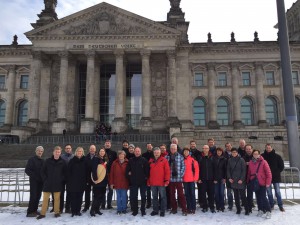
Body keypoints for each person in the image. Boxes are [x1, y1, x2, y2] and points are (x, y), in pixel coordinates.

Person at [37, 146, 67, 219]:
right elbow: (42, 171)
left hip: (57, 184)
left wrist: (60, 179)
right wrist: (45, 179)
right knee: (45, 199)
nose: (57, 153)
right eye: (56, 152)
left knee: (57, 199)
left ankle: (56, 212)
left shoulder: (63, 162)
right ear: (53, 152)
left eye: (58, 152)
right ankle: (42, 213)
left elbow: (65, 173)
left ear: (60, 153)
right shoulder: (47, 161)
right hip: (48, 183)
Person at [247, 149, 272, 219]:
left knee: (263, 197)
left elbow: (268, 173)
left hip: (262, 182)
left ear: (259, 154)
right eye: (254, 154)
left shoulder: (264, 162)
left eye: (256, 154)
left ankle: (268, 210)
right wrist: (248, 181)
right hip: (254, 182)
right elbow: (249, 173)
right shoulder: (251, 162)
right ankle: (260, 209)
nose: (255, 155)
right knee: (258, 197)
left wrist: (268, 182)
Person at [261, 143, 285, 212]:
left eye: (269, 148)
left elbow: (281, 166)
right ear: (265, 148)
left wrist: (277, 172)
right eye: (267, 148)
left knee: (277, 192)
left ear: (271, 148)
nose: (268, 149)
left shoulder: (277, 156)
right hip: (267, 177)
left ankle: (280, 205)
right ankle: (271, 205)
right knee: (269, 192)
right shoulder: (262, 156)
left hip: (276, 177)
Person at [126, 146, 149, 216]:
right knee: (134, 196)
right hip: (134, 182)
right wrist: (130, 177)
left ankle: (143, 210)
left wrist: (145, 177)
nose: (137, 152)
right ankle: (135, 210)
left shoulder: (144, 160)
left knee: (143, 196)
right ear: (134, 152)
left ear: (140, 152)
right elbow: (127, 171)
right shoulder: (131, 160)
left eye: (138, 151)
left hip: (142, 182)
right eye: (136, 151)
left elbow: (147, 171)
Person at [148, 147, 170, 217]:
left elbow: (167, 171)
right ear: (153, 153)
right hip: (153, 183)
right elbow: (148, 172)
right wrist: (148, 181)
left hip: (161, 183)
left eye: (158, 152)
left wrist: (166, 180)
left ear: (160, 153)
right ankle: (155, 210)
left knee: (163, 197)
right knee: (154, 197)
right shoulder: (150, 161)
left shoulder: (164, 160)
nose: (156, 154)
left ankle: (162, 210)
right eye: (155, 152)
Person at [166, 143, 187, 216]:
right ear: (170, 149)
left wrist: (180, 175)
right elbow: (165, 168)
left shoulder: (180, 157)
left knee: (181, 195)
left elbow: (183, 167)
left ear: (176, 149)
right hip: (171, 179)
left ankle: (184, 209)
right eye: (172, 148)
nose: (173, 150)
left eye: (174, 149)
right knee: (172, 195)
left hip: (178, 179)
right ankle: (174, 208)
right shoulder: (167, 157)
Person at [227, 147, 249, 215]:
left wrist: (241, 179)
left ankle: (246, 209)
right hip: (233, 181)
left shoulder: (241, 160)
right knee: (236, 196)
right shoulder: (230, 160)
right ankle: (238, 209)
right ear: (231, 153)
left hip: (240, 181)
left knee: (243, 196)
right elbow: (228, 170)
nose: (234, 153)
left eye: (235, 152)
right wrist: (229, 178)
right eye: (233, 152)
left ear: (237, 153)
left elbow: (244, 170)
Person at [25, 146, 44, 217]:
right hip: (34, 181)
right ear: (36, 151)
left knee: (38, 196)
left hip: (41, 182)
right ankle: (30, 211)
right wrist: (35, 176)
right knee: (33, 196)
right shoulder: (31, 160)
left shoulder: (43, 161)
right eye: (39, 151)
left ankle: (35, 210)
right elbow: (27, 170)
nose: (40, 152)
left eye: (41, 151)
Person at [67, 147, 86, 217]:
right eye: (78, 151)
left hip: (81, 182)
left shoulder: (85, 160)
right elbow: (68, 172)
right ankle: (73, 211)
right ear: (76, 152)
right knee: (73, 197)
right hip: (73, 183)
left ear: (82, 152)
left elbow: (86, 172)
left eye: (81, 151)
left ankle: (78, 210)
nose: (79, 152)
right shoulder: (72, 160)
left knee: (80, 197)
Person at [197, 145, 215, 213]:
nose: (205, 149)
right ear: (202, 149)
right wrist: (198, 178)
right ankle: (205, 207)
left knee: (211, 194)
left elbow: (215, 168)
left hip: (211, 179)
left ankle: (212, 206)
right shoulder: (200, 157)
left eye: (206, 148)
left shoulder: (212, 157)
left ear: (208, 149)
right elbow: (197, 168)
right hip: (203, 179)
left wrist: (214, 178)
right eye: (204, 148)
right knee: (203, 194)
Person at [110, 150, 129, 214]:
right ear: (118, 156)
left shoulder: (127, 162)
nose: (121, 156)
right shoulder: (114, 163)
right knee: (118, 197)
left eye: (122, 154)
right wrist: (111, 183)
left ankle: (124, 208)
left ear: (124, 155)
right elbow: (111, 173)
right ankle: (119, 209)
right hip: (117, 182)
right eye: (120, 154)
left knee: (124, 196)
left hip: (125, 183)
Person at [90, 148, 107, 217]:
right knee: (96, 196)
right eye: (101, 151)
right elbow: (94, 169)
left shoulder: (104, 160)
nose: (102, 152)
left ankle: (97, 209)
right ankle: (92, 210)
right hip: (98, 181)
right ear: (98, 152)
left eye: (103, 151)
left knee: (101, 196)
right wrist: (95, 179)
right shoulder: (96, 159)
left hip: (103, 181)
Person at [182, 146, 199, 214]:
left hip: (192, 180)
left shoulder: (193, 160)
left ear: (189, 152)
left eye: (187, 151)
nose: (186, 152)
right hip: (185, 180)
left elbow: (197, 170)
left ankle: (193, 208)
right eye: (185, 151)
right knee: (187, 194)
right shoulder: (182, 160)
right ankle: (188, 208)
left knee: (192, 194)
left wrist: (195, 179)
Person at [103, 139, 117, 209]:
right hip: (102, 174)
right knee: (102, 190)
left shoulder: (114, 153)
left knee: (110, 190)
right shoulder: (101, 152)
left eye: (108, 143)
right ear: (104, 144)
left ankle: (109, 204)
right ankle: (102, 204)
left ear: (110, 145)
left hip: (110, 174)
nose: (107, 144)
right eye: (106, 143)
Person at [60, 144, 74, 213]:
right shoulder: (61, 156)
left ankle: (68, 208)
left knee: (69, 193)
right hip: (62, 178)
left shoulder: (74, 156)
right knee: (61, 193)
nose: (68, 149)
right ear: (65, 149)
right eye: (66, 148)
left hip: (70, 178)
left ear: (71, 149)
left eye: (69, 148)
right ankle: (60, 208)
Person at [82, 144, 96, 212]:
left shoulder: (97, 157)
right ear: (89, 150)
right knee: (87, 193)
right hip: (87, 178)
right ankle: (86, 206)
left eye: (93, 149)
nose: (92, 150)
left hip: (95, 178)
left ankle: (94, 206)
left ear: (95, 150)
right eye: (91, 149)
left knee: (95, 193)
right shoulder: (85, 157)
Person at [212, 147, 227, 212]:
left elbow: (226, 170)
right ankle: (218, 206)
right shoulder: (213, 159)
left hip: (222, 179)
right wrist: (213, 178)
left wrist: (225, 178)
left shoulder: (224, 159)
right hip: (215, 179)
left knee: (221, 193)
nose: (219, 152)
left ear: (222, 152)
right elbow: (211, 169)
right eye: (218, 151)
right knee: (216, 193)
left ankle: (222, 206)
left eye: (220, 151)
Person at [243, 144, 255, 212]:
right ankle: (246, 205)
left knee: (251, 192)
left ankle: (250, 205)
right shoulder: (243, 157)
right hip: (245, 177)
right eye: (247, 149)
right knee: (243, 192)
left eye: (249, 149)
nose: (248, 150)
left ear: (252, 149)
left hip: (252, 177)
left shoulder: (254, 157)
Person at [142, 143, 154, 208]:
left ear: (152, 146)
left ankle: (156, 202)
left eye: (150, 146)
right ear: (146, 147)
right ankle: (149, 203)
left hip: (154, 173)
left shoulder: (154, 154)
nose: (149, 147)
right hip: (147, 174)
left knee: (155, 190)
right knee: (148, 190)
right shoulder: (144, 155)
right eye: (148, 146)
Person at [224, 142, 233, 210]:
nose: (228, 147)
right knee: (229, 192)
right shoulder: (224, 154)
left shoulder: (235, 153)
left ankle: (238, 203)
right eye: (227, 146)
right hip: (228, 176)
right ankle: (230, 204)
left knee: (237, 192)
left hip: (236, 176)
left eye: (229, 146)